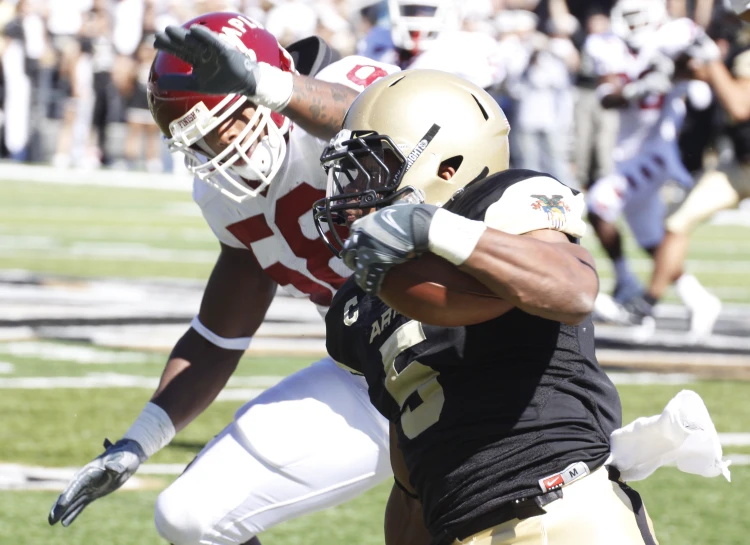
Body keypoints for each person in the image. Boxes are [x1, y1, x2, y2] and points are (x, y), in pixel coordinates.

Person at [48, 12, 401, 545]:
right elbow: (219, 334)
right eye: (204, 141)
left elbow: (391, 126)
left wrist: (270, 87)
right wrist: (136, 442)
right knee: (189, 515)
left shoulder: (349, 90)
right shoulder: (225, 198)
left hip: (474, 354)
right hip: (371, 375)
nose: (225, 150)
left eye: (231, 121)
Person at [318, 69, 659, 545]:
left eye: (373, 168)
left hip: (563, 509)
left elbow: (574, 289)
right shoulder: (360, 300)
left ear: (447, 165)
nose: (352, 194)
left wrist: (435, 228)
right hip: (458, 526)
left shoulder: (498, 202)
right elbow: (410, 479)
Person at [585, 0, 720, 323]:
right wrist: (636, 90)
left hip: (658, 151)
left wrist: (677, 72)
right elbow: (606, 95)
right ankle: (698, 299)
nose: (632, 26)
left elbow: (707, 65)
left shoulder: (676, 35)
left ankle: (627, 284)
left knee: (599, 203)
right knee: (652, 240)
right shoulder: (607, 45)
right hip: (628, 154)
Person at [640, 11, 750, 337]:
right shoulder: (738, 51)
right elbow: (701, 74)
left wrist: (711, 61)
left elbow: (740, 105)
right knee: (677, 220)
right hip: (739, 167)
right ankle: (647, 303)